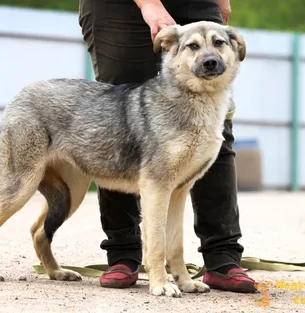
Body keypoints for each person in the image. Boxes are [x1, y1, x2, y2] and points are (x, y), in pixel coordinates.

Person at [78, 0, 257, 293]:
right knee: (117, 122)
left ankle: (222, 256)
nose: (210, 57)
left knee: (215, 136)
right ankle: (123, 254)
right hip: (120, 8)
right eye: (198, 48)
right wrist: (149, 5)